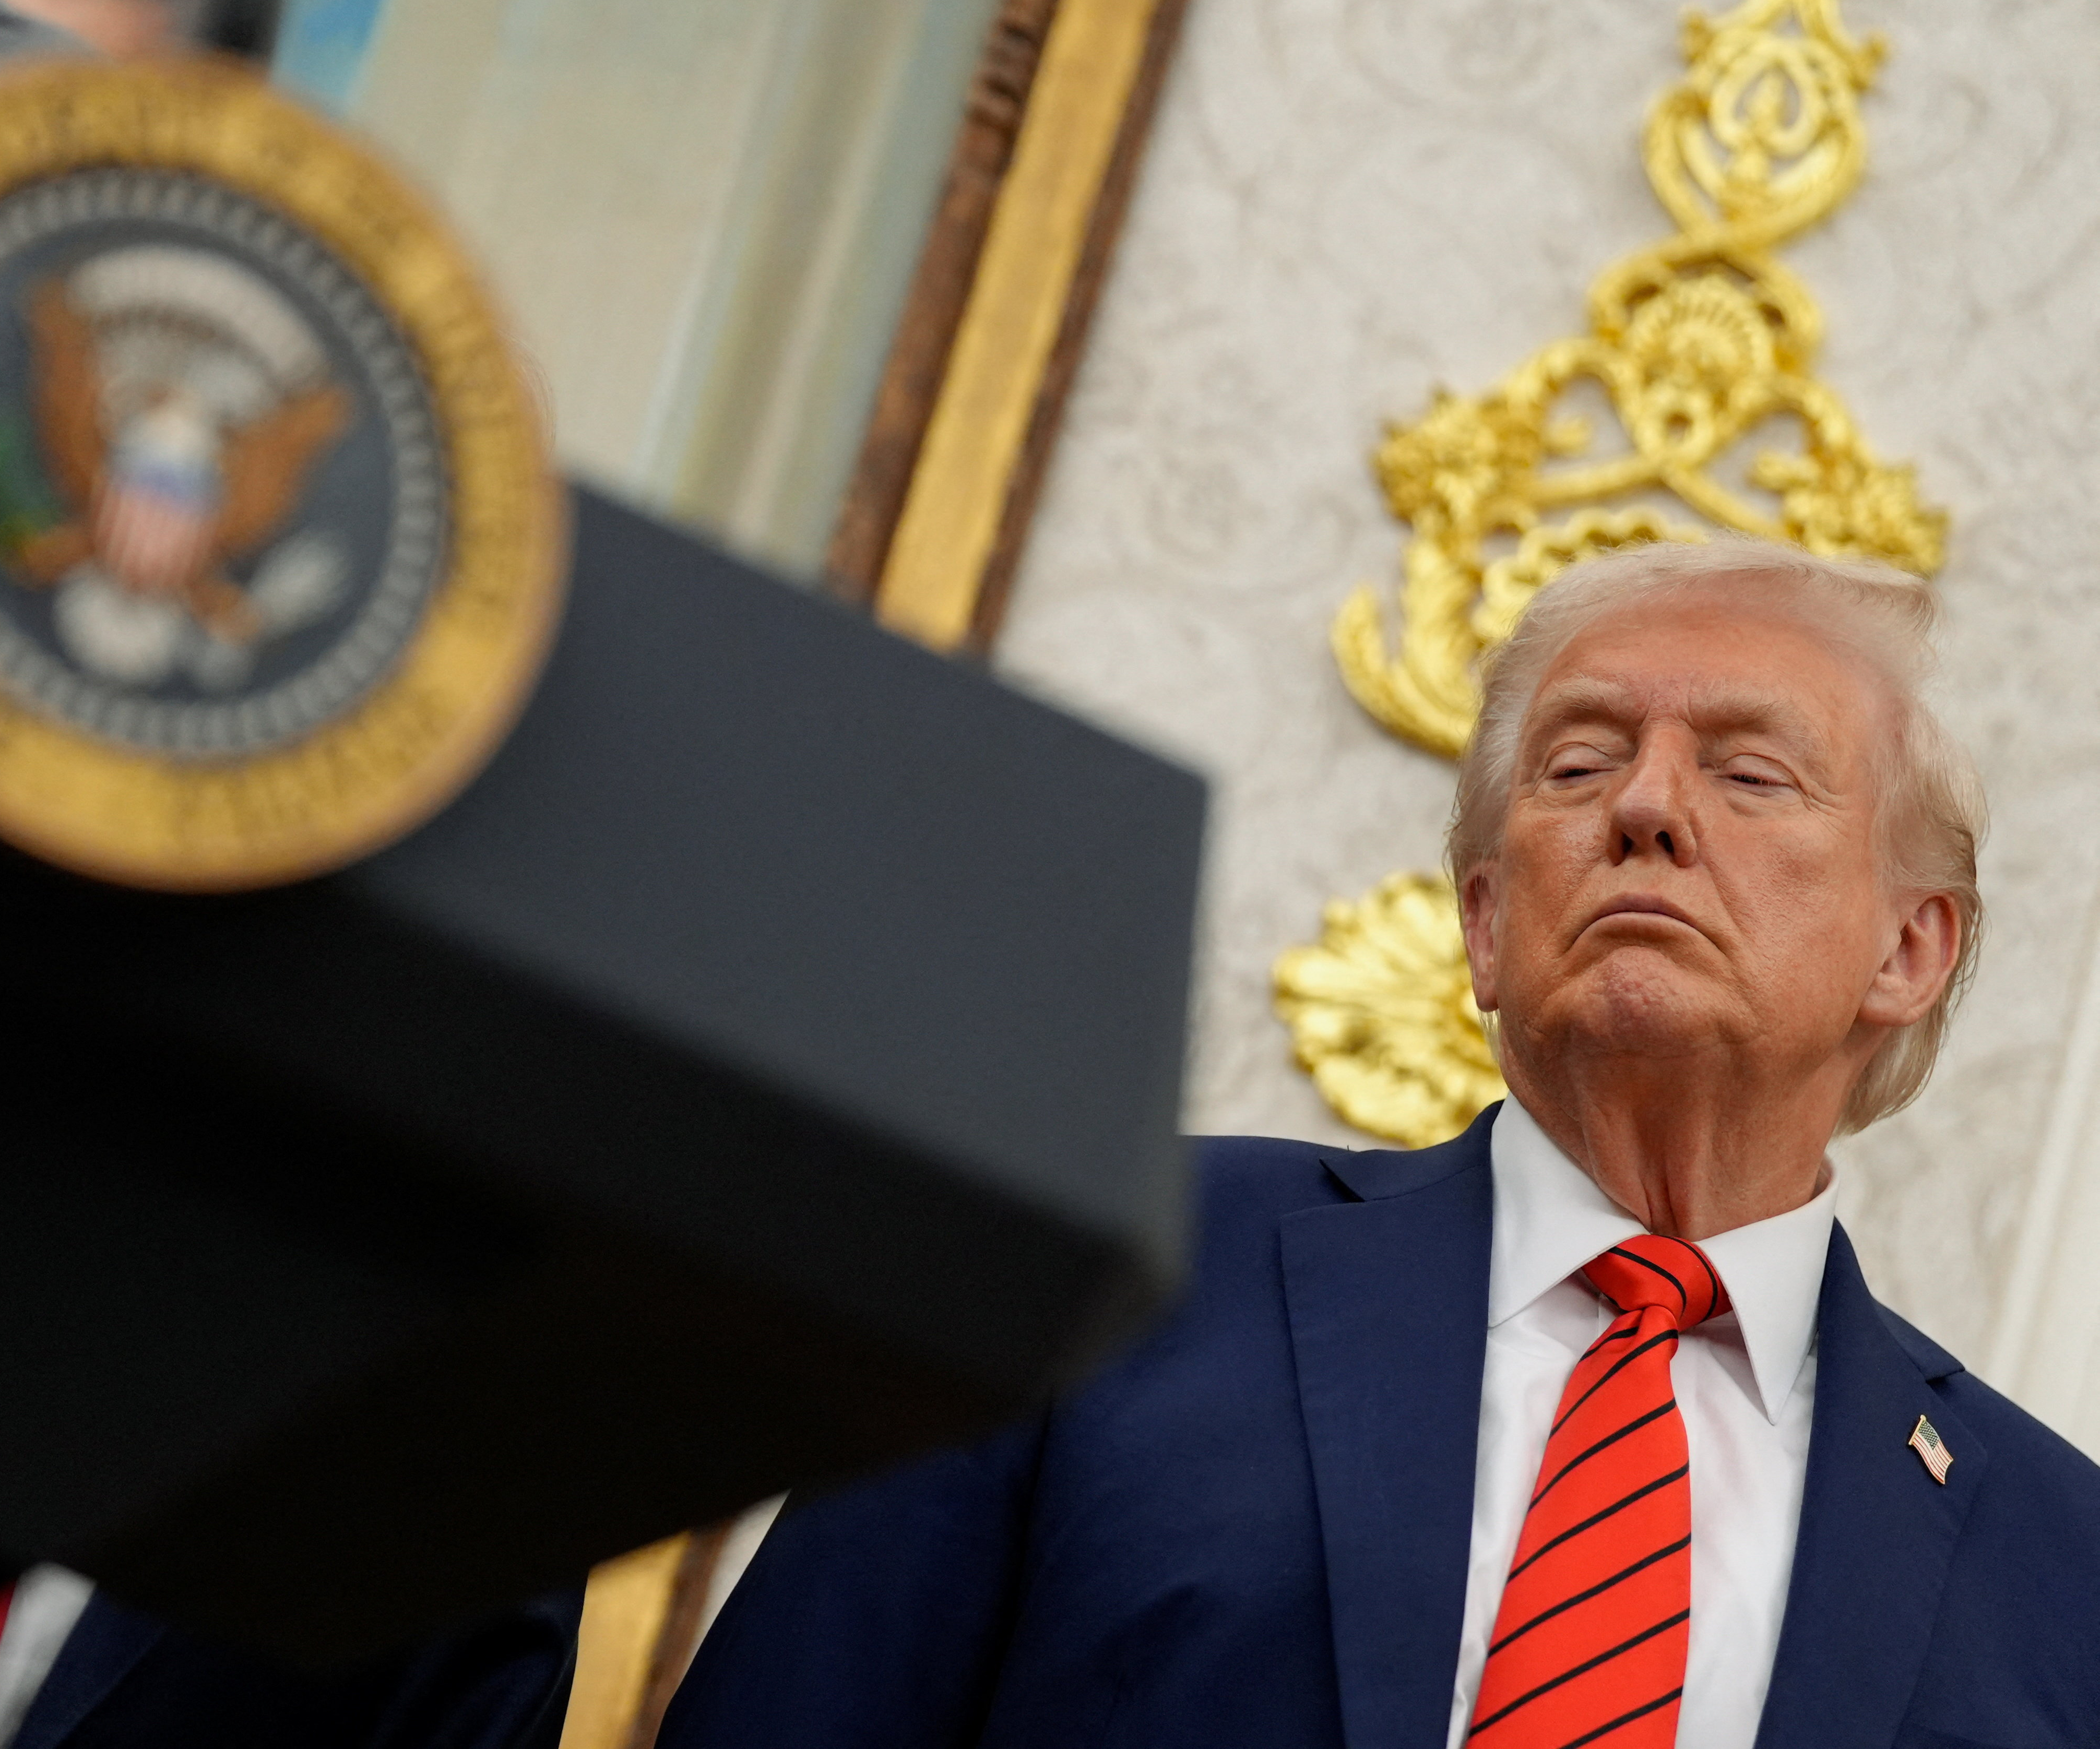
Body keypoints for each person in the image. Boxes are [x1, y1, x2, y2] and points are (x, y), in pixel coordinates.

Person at [656, 539, 2100, 1749]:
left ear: (1910, 949)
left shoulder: (2060, 1568)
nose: (1649, 809)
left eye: (1751, 776)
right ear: (1483, 922)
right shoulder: (1113, 1256)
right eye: (1581, 764)